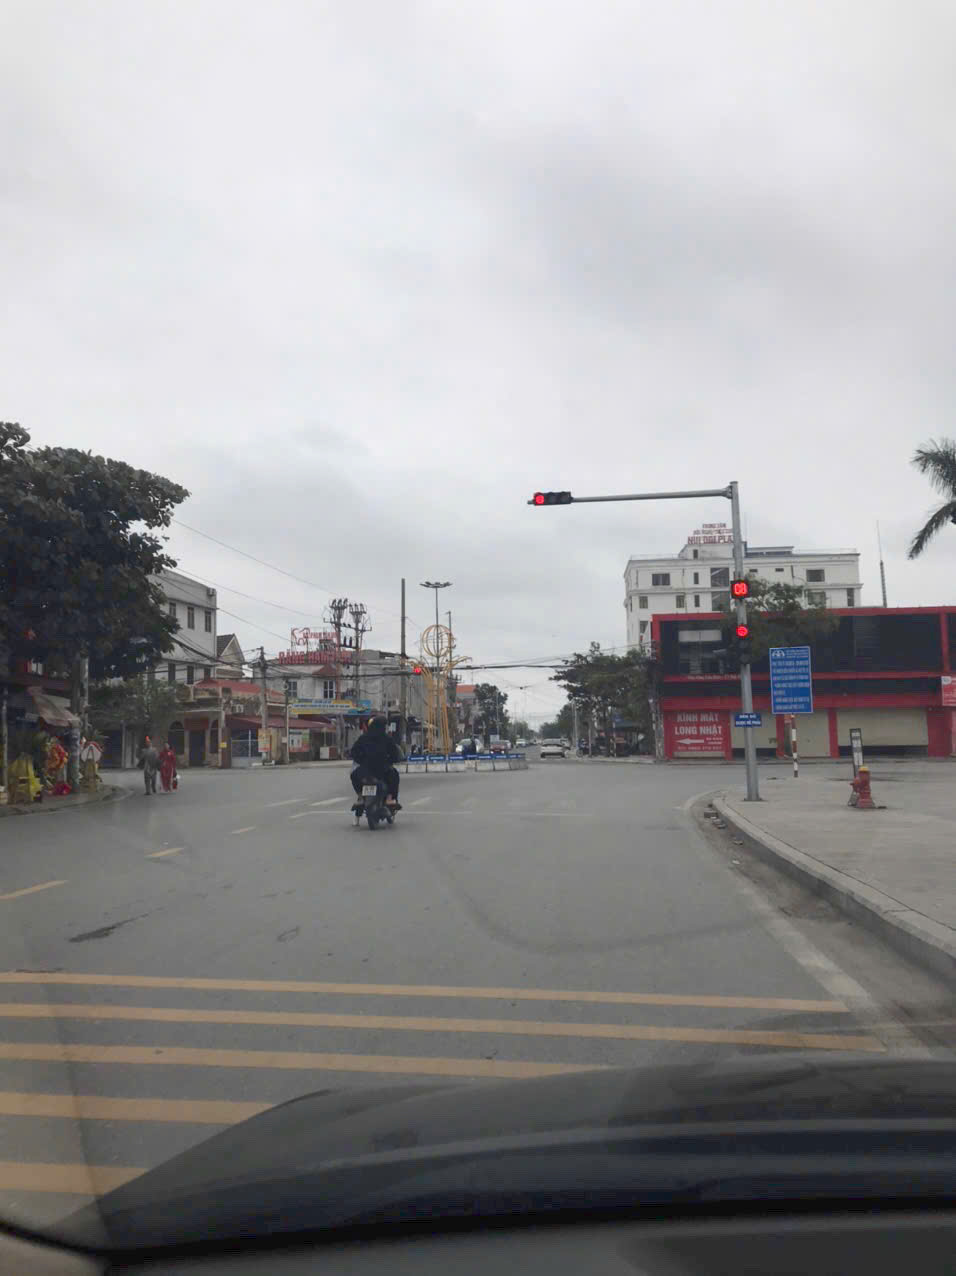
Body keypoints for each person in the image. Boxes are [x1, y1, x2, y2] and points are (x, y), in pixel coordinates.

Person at [350, 715, 401, 809]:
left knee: (354, 775)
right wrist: (390, 761)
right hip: (383, 770)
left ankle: (360, 797)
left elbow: (354, 752)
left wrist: (361, 760)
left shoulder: (363, 738)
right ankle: (389, 798)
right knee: (394, 776)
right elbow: (394, 754)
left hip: (366, 770)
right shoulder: (387, 739)